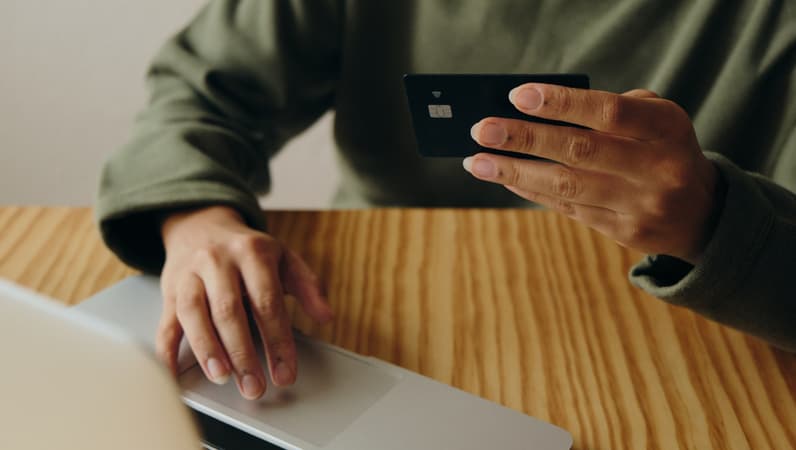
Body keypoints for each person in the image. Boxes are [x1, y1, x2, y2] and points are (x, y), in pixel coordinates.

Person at [97, 0, 796, 400]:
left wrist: (714, 219)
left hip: (685, 355)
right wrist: (197, 218)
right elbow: (198, 90)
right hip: (358, 313)